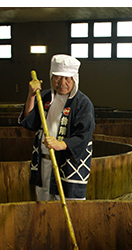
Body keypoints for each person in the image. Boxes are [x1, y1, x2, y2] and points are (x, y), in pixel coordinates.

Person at [19, 54, 95, 201]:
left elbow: (84, 135)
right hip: (44, 162)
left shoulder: (82, 103)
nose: (63, 82)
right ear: (51, 77)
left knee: (69, 205)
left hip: (68, 164)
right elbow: (30, 121)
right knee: (44, 204)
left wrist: (62, 144)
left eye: (67, 78)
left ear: (75, 79)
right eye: (58, 77)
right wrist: (31, 96)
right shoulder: (44, 97)